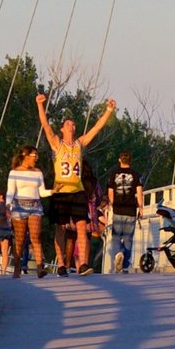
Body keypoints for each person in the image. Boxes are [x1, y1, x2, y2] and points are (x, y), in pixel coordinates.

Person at [36, 92, 116, 275]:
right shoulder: (57, 144)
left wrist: (109, 111)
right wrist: (40, 105)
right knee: (61, 227)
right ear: (63, 129)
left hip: (77, 190)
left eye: (73, 123)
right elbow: (45, 125)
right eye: (68, 123)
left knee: (82, 225)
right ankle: (62, 263)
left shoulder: (79, 144)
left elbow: (96, 128)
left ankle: (83, 264)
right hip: (61, 191)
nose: (71, 125)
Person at [4, 147, 47, 278]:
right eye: (34, 155)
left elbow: (42, 192)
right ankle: (17, 266)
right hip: (19, 206)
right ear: (25, 156)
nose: (36, 159)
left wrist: (54, 191)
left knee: (36, 236)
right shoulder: (14, 172)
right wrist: (8, 206)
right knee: (20, 239)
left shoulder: (38, 172)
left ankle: (40, 267)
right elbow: (10, 191)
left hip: (35, 206)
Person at [106, 153, 143, 274]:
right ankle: (125, 265)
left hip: (118, 209)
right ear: (130, 161)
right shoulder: (136, 174)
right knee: (128, 239)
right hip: (131, 210)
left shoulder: (113, 174)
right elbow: (139, 192)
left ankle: (118, 254)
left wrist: (113, 204)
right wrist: (141, 208)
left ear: (119, 160)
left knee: (116, 237)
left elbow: (110, 192)